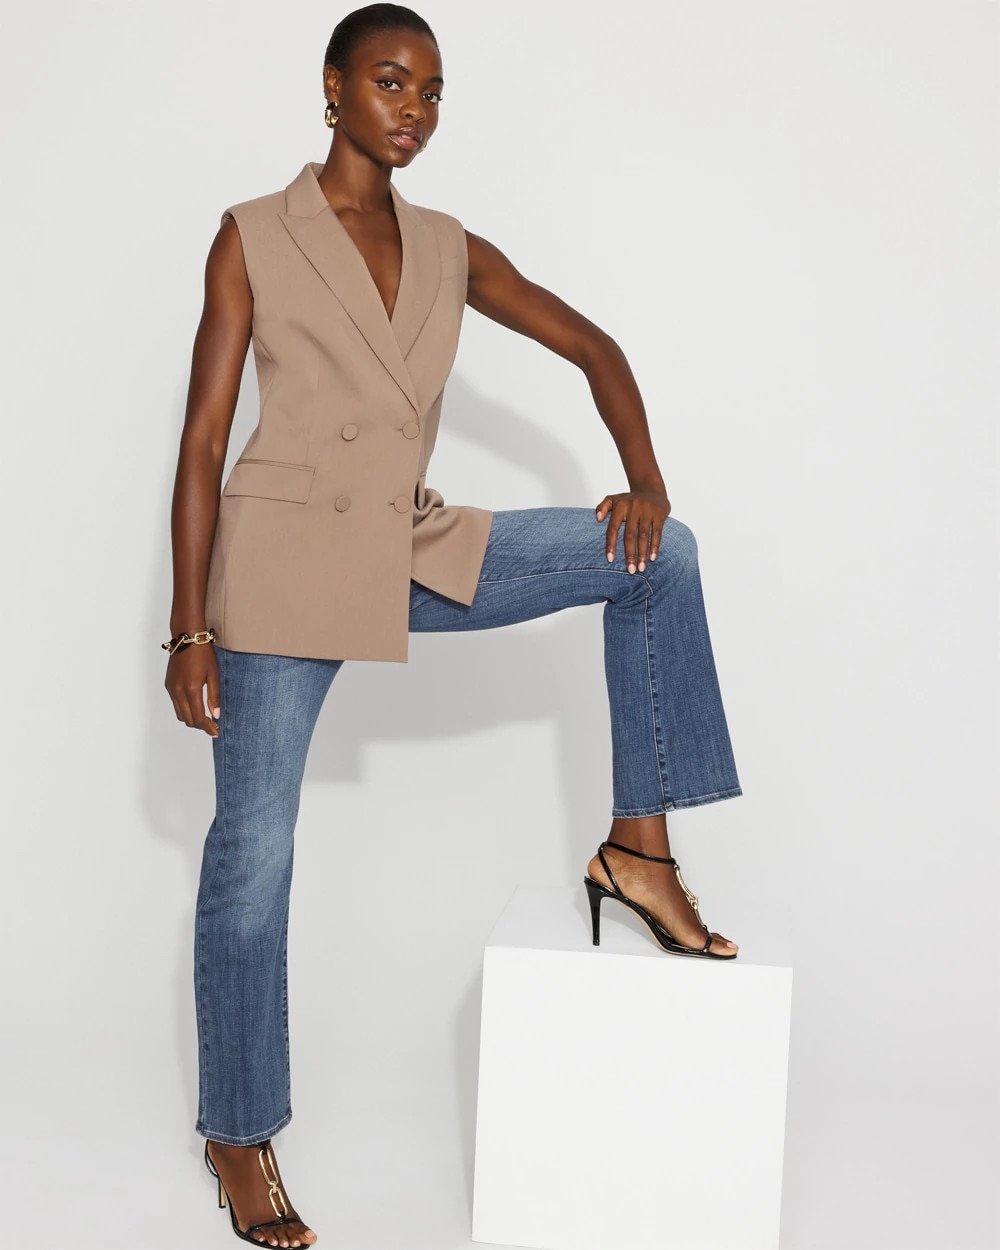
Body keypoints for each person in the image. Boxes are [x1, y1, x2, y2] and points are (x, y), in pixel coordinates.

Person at [164, 4, 743, 1245]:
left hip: (401, 544)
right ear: (332, 88)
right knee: (253, 857)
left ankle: (638, 849)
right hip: (277, 570)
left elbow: (593, 344)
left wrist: (643, 480)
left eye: (431, 91)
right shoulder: (252, 233)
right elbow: (204, 439)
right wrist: (187, 628)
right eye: (391, 82)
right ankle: (238, 1127)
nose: (413, 109)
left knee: (660, 560)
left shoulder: (447, 247)